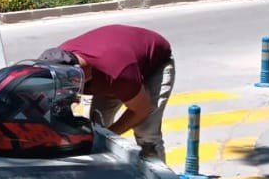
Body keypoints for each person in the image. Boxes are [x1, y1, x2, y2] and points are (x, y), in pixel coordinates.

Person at [40, 24, 174, 162]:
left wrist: (108, 138)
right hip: (116, 60)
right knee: (96, 126)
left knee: (146, 132)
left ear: (82, 74)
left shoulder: (117, 73)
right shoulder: (59, 60)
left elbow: (141, 110)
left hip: (154, 64)